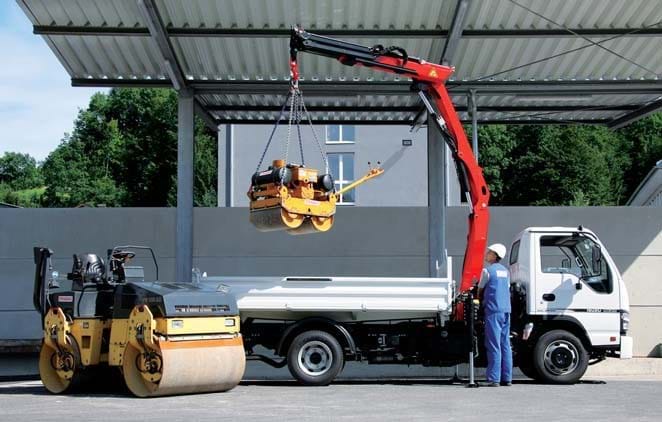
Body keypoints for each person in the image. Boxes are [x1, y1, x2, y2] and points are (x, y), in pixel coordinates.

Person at [478, 243, 513, 387]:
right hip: (506, 310)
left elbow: (480, 289)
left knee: (493, 344)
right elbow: (507, 288)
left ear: (495, 255)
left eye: (489, 252)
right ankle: (507, 378)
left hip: (493, 311)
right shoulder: (506, 272)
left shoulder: (487, 271)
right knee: (505, 344)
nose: (487, 254)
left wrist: (479, 299)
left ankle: (494, 379)